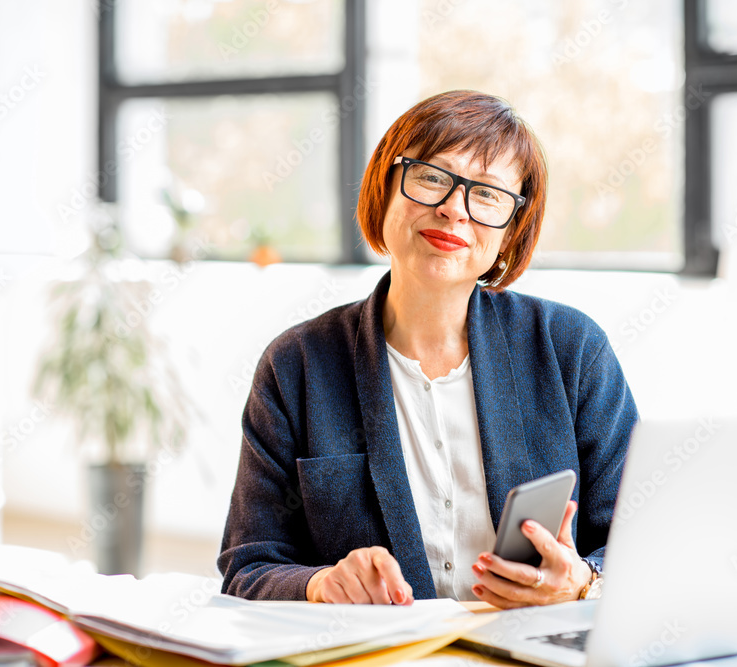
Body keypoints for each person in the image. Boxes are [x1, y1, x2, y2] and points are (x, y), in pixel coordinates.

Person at [218, 90, 638, 608]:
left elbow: (646, 542)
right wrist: (319, 584)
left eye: (487, 195)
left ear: (510, 232)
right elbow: (248, 564)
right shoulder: (297, 365)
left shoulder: (571, 349)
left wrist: (583, 581)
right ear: (384, 190)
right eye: (432, 177)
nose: (453, 209)